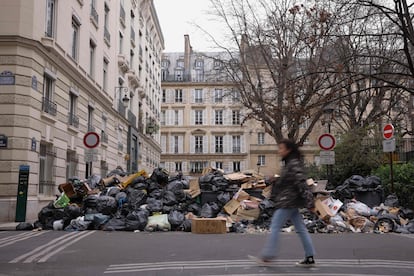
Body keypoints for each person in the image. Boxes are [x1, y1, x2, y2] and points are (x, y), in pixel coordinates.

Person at [254, 138, 316, 267]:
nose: (279, 151)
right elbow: (291, 181)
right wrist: (276, 180)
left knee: (275, 227)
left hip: (288, 201)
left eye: (281, 148)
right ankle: (309, 257)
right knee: (301, 229)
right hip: (291, 202)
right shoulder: (290, 163)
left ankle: (268, 255)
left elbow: (301, 183)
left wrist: (310, 202)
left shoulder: (293, 164)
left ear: (288, 150)